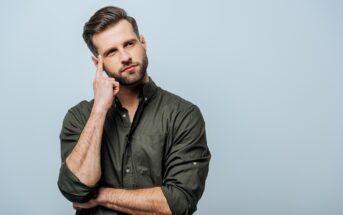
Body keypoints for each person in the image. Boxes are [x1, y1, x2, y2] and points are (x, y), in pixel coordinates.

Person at [57, 6, 211, 215]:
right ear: (97, 63)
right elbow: (76, 189)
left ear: (143, 43)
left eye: (129, 44)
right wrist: (100, 109)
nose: (125, 57)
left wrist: (99, 196)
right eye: (112, 52)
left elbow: (179, 202)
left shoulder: (183, 115)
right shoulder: (80, 117)